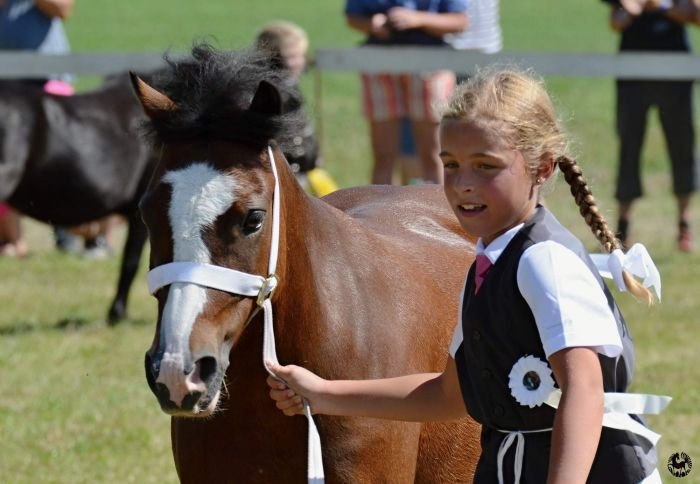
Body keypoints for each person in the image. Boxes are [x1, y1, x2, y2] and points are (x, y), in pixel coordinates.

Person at [267, 69, 668, 483]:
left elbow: (584, 391)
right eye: (451, 165)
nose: (463, 185)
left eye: (485, 167)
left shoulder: (542, 261)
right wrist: (322, 393)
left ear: (543, 168)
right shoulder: (489, 261)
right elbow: (448, 395)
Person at [603, 0, 700, 252]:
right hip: (632, 72)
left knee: (682, 145)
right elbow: (617, 21)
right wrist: (632, 9)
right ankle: (623, 226)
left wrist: (661, 7)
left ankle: (684, 224)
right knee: (629, 146)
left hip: (675, 71)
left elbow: (696, 14)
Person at [345, 0, 467, 185]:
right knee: (383, 157)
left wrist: (418, 19)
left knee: (434, 154)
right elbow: (353, 16)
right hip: (380, 64)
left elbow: (460, 21)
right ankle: (380, 212)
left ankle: (439, 209)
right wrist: (373, 24)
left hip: (430, 65)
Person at [254, 20, 338, 197]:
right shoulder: (279, 90)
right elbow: (291, 131)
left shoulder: (284, 85)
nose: (300, 62)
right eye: (293, 57)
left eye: (301, 55)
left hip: (298, 167)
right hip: (287, 168)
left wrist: (312, 154)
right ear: (274, 57)